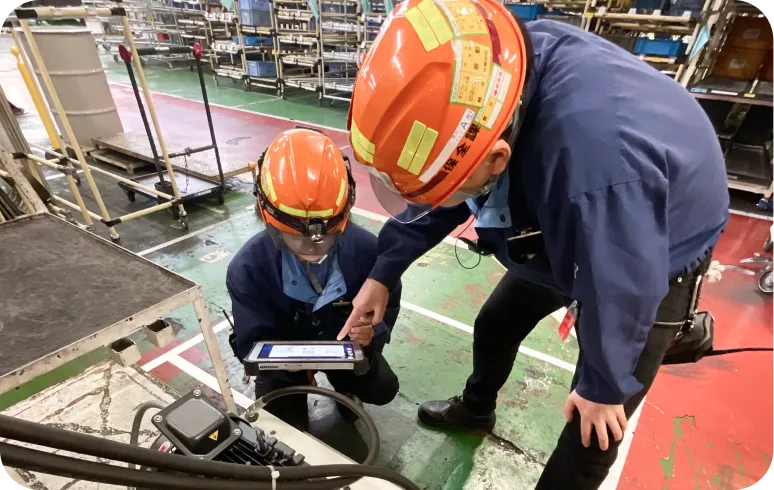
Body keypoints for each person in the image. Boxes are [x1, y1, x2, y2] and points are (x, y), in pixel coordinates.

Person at [339, 1, 729, 488]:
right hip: (585, 206)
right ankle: (476, 410)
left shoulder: (596, 169)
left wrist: (604, 385)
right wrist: (383, 271)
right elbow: (446, 184)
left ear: (498, 158)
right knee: (496, 323)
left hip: (657, 245)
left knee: (593, 429)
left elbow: (624, 278)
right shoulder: (491, 81)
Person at [227, 128, 401, 429]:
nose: (312, 246)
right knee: (283, 423)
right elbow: (249, 343)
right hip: (284, 366)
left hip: (346, 352)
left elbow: (389, 307)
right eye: (296, 235)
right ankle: (296, 387)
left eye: (326, 235)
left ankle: (344, 385)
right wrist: (289, 365)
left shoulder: (371, 253)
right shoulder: (248, 268)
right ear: (266, 215)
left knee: (383, 387)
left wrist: (372, 335)